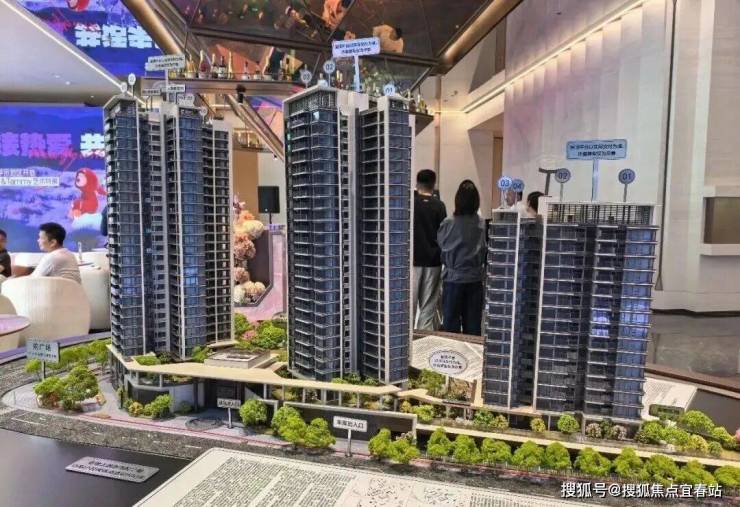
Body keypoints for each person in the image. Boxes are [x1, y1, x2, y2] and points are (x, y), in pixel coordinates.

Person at [438, 180, 486, 335]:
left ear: (457, 199)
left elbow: (441, 246)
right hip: (475, 280)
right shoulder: (481, 223)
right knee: (473, 327)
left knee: (450, 326)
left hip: (453, 279)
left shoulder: (448, 223)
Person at [412, 170, 447, 331]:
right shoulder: (439, 206)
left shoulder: (411, 204)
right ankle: (422, 340)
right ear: (434, 185)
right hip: (433, 262)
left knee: (409, 306)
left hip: (412, 261)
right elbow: (443, 234)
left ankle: (405, 340)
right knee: (427, 307)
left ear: (417, 184)